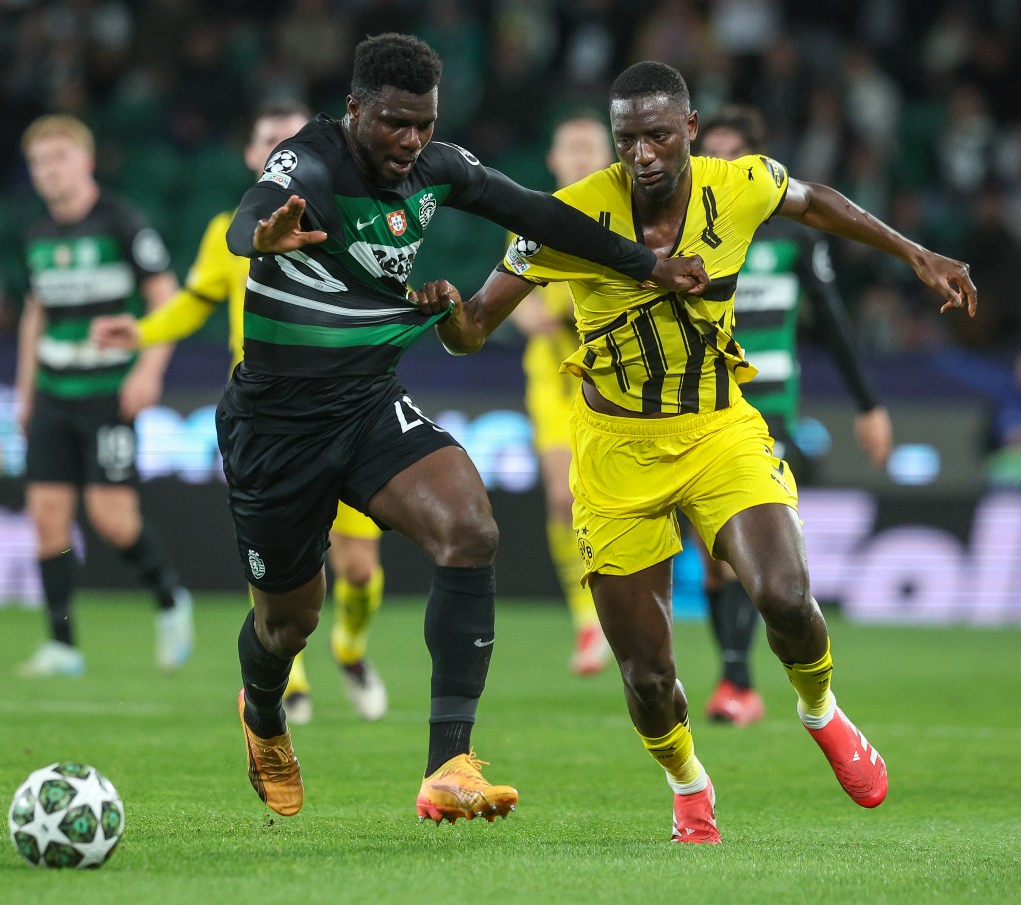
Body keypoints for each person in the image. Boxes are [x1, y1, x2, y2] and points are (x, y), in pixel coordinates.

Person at [409, 61, 976, 842]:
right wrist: (445, 313)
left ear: (691, 129)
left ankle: (822, 709)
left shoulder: (738, 183)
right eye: (626, 139)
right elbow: (474, 331)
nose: (641, 153)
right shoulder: (568, 215)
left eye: (657, 135)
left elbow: (816, 204)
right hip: (614, 454)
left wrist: (913, 252)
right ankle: (689, 782)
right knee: (649, 676)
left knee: (785, 596)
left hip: (718, 428)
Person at [212, 34, 708, 821]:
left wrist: (645, 264)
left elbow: (540, 214)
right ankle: (263, 712)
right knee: (288, 621)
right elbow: (250, 215)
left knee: (469, 528)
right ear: (353, 111)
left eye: (424, 124)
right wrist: (261, 238)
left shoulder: (437, 167)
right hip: (275, 425)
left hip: (368, 404)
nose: (412, 141)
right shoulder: (307, 162)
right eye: (394, 124)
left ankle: (449, 761)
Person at [92, 103, 388, 723]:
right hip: (269, 420)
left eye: (292, 138)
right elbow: (194, 302)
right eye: (266, 140)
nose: (279, 148)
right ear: (255, 158)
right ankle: (295, 680)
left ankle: (351, 649)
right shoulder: (227, 230)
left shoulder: (352, 223)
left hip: (347, 411)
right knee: (285, 561)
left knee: (358, 569)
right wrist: (143, 334)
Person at [692, 104, 895, 727]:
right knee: (713, 556)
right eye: (712, 154)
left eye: (732, 155)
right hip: (702, 400)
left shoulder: (790, 235)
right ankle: (737, 677)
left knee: (739, 547)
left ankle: (737, 683)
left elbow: (831, 320)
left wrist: (868, 405)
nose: (719, 166)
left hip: (770, 405)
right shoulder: (687, 230)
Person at [14, 114, 194, 678]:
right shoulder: (37, 234)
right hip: (52, 391)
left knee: (112, 518)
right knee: (47, 518)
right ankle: (63, 645)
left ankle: (170, 599)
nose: (49, 171)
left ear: (86, 162)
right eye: (40, 162)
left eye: (59, 158)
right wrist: (23, 393)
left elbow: (166, 296)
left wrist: (149, 371)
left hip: (107, 392)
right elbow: (34, 315)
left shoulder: (121, 222)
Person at [510, 113, 615, 676]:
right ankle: (586, 620)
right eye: (569, 147)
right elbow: (515, 292)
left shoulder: (622, 221)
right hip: (554, 382)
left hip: (614, 380)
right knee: (561, 498)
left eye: (589, 147)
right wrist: (529, 316)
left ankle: (630, 609)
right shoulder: (532, 219)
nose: (578, 156)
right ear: (554, 160)